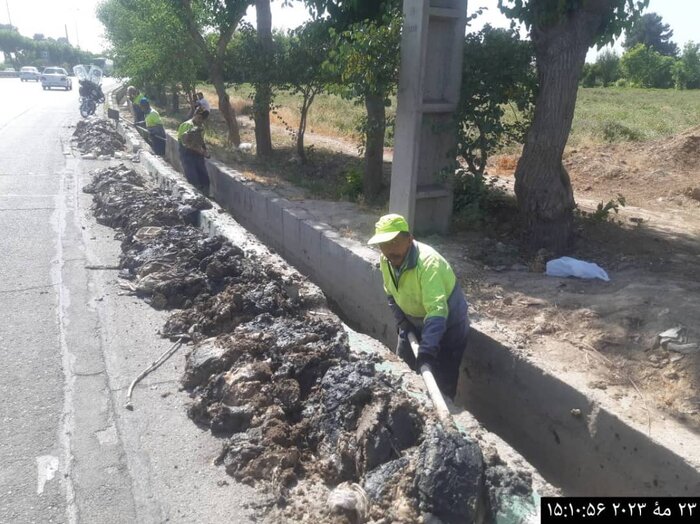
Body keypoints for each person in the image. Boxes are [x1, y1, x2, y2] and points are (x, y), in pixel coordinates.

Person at [368, 213, 470, 398]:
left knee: (441, 381)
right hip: (412, 322)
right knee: (402, 372)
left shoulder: (428, 264)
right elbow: (391, 294)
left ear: (409, 239)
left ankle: (442, 417)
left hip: (446, 326)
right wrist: (403, 323)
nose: (390, 250)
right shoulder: (386, 261)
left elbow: (437, 311)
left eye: (394, 242)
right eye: (384, 244)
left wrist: (427, 350)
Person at [177, 108, 211, 195]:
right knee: (193, 179)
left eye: (202, 119)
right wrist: (202, 152)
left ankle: (206, 196)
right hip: (187, 154)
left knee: (204, 178)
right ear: (194, 115)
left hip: (198, 155)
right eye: (199, 118)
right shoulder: (187, 125)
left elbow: (200, 141)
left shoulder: (200, 127)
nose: (200, 120)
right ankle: (195, 198)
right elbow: (187, 143)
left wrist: (205, 150)